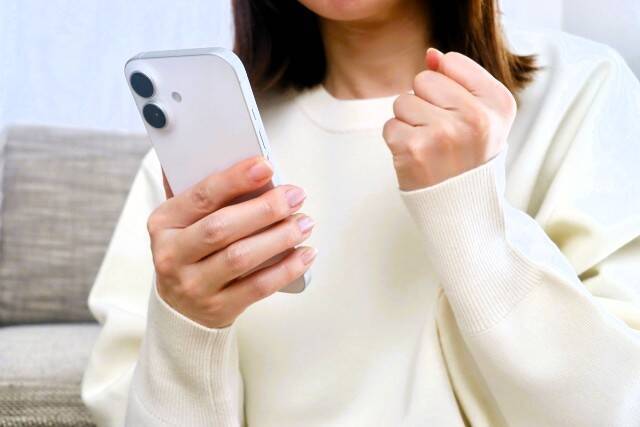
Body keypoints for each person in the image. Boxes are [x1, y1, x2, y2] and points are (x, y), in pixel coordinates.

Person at [81, 0, 640, 426]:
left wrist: (468, 212)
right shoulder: (194, 175)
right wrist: (189, 325)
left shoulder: (581, 91)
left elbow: (616, 407)